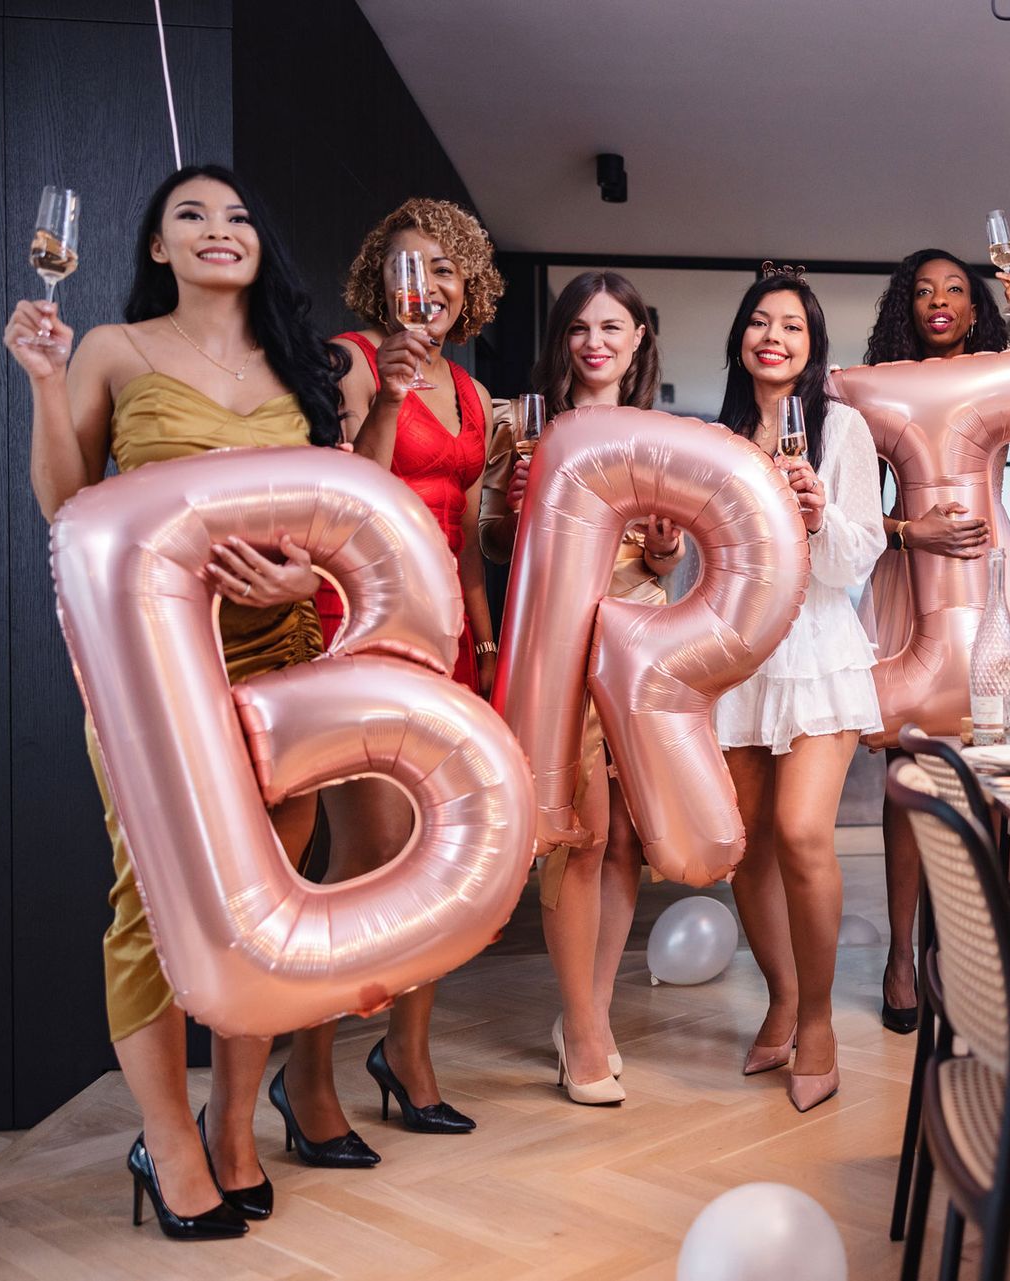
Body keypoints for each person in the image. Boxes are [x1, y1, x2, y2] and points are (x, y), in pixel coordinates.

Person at [2, 165, 353, 1239]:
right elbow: (67, 508)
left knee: (271, 901)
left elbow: (341, 522)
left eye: (240, 215)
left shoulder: (312, 364)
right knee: (149, 902)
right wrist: (42, 379)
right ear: (158, 247)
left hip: (283, 657)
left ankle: (235, 1126)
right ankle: (165, 1144)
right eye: (191, 215)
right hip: (151, 667)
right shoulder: (111, 346)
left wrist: (310, 582)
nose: (218, 229)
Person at [277, 198, 504, 1161]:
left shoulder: (476, 392)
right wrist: (383, 401)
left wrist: (487, 646)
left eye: (449, 269)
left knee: (443, 860)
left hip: (445, 633)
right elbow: (343, 501)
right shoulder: (354, 359)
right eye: (415, 267)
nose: (433, 286)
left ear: (468, 285)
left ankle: (407, 1059)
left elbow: (470, 543)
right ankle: (307, 1077)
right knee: (365, 865)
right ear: (383, 277)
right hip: (357, 623)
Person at [860, 248, 1010, 1033]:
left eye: (955, 288)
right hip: (908, 573)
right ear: (905, 307)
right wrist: (903, 530)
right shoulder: (881, 381)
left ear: (974, 306)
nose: (939, 300)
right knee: (911, 767)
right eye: (921, 290)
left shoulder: (1001, 373)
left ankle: (973, 947)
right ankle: (901, 956)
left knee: (992, 760)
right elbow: (848, 502)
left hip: (990, 573)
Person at [478, 270, 683, 1105]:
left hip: (642, 645)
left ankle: (588, 1013)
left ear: (638, 340)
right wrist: (515, 504)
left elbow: (666, 554)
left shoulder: (663, 435)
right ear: (562, 341)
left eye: (612, 326)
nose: (595, 341)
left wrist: (667, 544)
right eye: (579, 328)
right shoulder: (525, 429)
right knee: (580, 833)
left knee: (632, 837)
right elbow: (492, 543)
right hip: (559, 645)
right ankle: (587, 1029)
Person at [716, 269, 884, 1112]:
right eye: (759, 321)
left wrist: (820, 517)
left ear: (812, 346)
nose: (772, 335)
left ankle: (817, 1020)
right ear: (741, 339)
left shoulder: (842, 426)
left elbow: (861, 555)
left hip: (818, 645)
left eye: (790, 324)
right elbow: (702, 565)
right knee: (745, 845)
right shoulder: (718, 436)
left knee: (802, 831)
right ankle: (781, 994)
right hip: (739, 655)